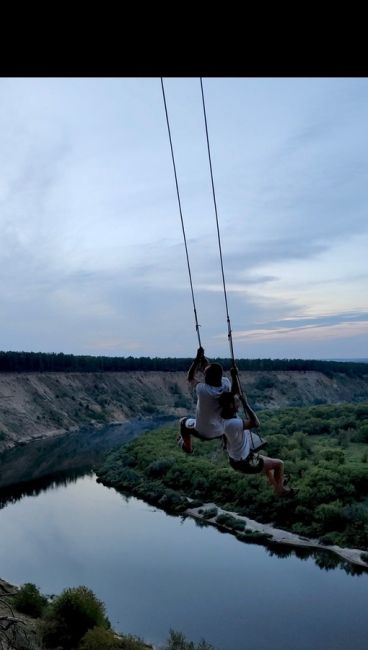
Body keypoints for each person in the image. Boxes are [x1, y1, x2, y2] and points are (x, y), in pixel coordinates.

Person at [219, 391, 291, 497]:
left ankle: (274, 482)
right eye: (237, 402)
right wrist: (246, 404)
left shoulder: (224, 417)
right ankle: (280, 490)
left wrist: (234, 378)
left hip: (238, 459)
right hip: (245, 462)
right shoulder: (233, 423)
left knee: (268, 465)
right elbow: (255, 423)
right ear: (231, 405)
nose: (239, 403)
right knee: (279, 464)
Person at [177, 346, 238, 453]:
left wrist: (197, 359)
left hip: (203, 432)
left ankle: (188, 447)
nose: (203, 375)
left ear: (208, 377)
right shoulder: (226, 383)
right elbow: (212, 371)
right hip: (221, 430)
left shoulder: (203, 390)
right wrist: (234, 376)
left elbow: (190, 377)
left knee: (182, 422)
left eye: (205, 374)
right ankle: (225, 441)